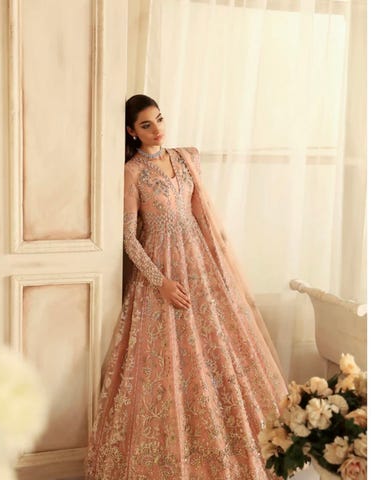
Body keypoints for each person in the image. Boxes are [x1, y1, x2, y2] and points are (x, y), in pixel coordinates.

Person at [85, 94, 288, 479]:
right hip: (161, 269)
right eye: (146, 125)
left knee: (216, 348)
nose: (157, 129)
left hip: (198, 264)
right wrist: (160, 283)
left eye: (159, 119)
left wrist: (219, 268)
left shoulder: (186, 158)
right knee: (166, 362)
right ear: (131, 131)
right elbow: (128, 238)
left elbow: (203, 219)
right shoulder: (131, 173)